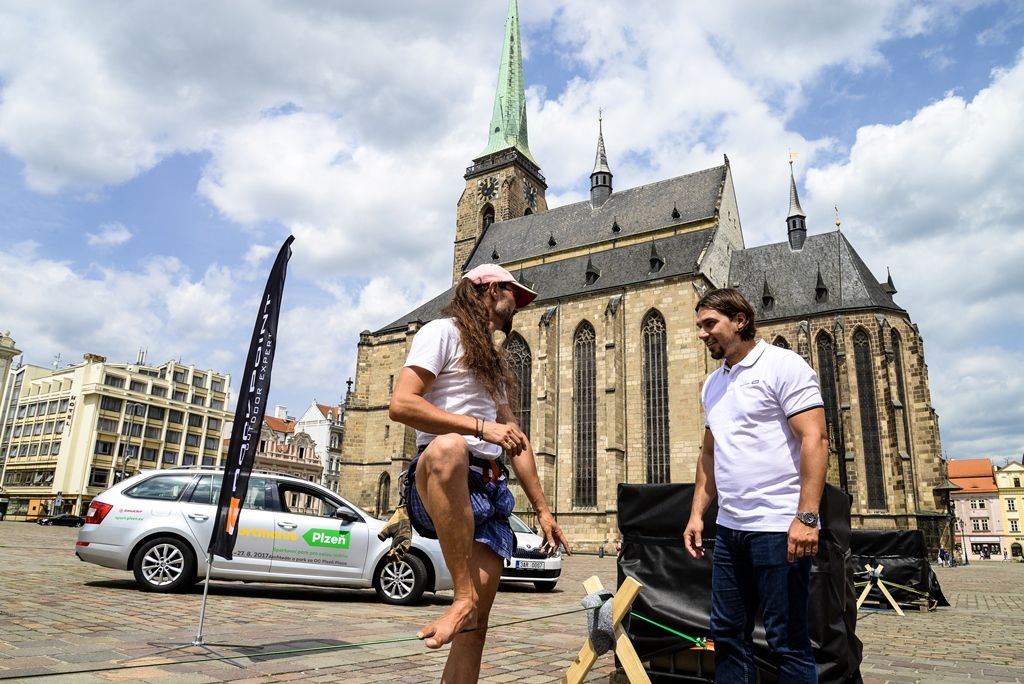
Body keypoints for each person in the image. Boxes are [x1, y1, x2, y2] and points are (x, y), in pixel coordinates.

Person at [389, 263, 570, 683]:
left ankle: (466, 607)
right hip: (441, 474)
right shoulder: (441, 333)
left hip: (488, 489)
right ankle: (461, 595)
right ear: (489, 291)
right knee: (450, 446)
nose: (518, 305)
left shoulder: (490, 360)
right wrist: (479, 426)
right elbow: (401, 404)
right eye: (513, 294)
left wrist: (543, 510)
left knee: (473, 632)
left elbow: (514, 440)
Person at [683, 288, 828, 684]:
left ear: (741, 320)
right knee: (728, 635)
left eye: (709, 324)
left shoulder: (784, 366)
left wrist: (807, 517)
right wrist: (698, 513)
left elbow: (815, 439)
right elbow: (710, 455)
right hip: (731, 531)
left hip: (779, 527)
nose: (702, 334)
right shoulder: (713, 384)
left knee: (786, 641)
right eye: (699, 326)